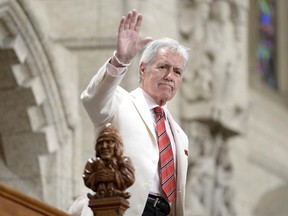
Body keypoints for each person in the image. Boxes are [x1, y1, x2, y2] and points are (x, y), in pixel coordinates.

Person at [79, 9, 189, 216]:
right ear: (142, 69)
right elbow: (92, 100)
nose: (169, 76)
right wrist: (120, 60)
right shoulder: (120, 101)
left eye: (177, 72)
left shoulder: (180, 136)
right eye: (163, 66)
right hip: (122, 208)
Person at [83, 123, 135, 200]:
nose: (104, 146)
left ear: (117, 145)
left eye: (109, 142)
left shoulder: (124, 161)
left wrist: (113, 176)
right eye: (100, 143)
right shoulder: (92, 163)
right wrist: (97, 177)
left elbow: (129, 178)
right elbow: (87, 178)